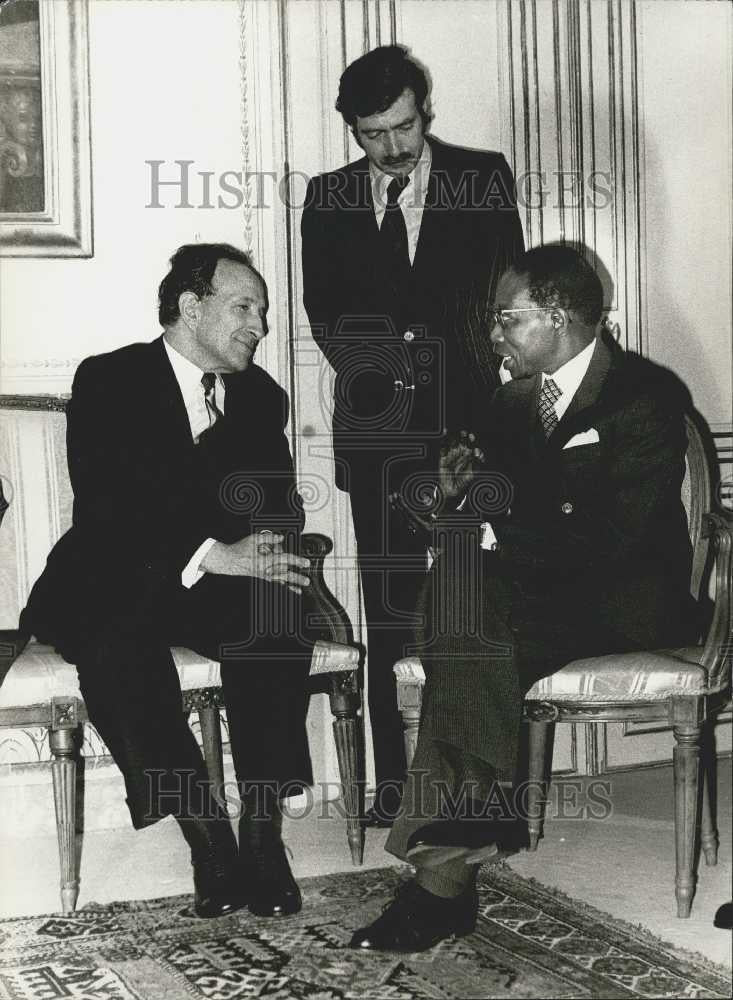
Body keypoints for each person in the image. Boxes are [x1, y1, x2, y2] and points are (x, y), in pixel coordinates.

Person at [349, 244, 699, 951]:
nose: (493, 335)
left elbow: (615, 537)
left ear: (557, 316)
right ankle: (444, 879)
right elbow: (482, 503)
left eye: (506, 318)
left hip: (626, 601)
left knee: (464, 618)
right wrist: (446, 498)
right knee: (468, 619)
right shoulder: (509, 401)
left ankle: (443, 887)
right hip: (526, 600)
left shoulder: (644, 396)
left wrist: (489, 530)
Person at [20, 243, 316, 920]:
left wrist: (265, 549)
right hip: (118, 573)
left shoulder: (259, 395)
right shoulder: (111, 379)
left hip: (216, 586)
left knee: (274, 616)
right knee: (114, 642)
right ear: (192, 306)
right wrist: (213, 552)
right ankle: (207, 840)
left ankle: (262, 840)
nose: (260, 325)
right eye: (245, 307)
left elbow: (279, 503)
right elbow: (107, 505)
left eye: (262, 310)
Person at [301, 45, 524, 824]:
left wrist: (480, 423)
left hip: (469, 430)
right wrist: (389, 375)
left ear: (423, 111)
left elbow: (504, 301)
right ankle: (397, 792)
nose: (392, 147)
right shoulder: (327, 197)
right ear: (352, 129)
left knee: (472, 608)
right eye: (373, 135)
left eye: (403, 127)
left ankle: (481, 791)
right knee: (390, 608)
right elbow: (325, 313)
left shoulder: (481, 176)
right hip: (377, 433)